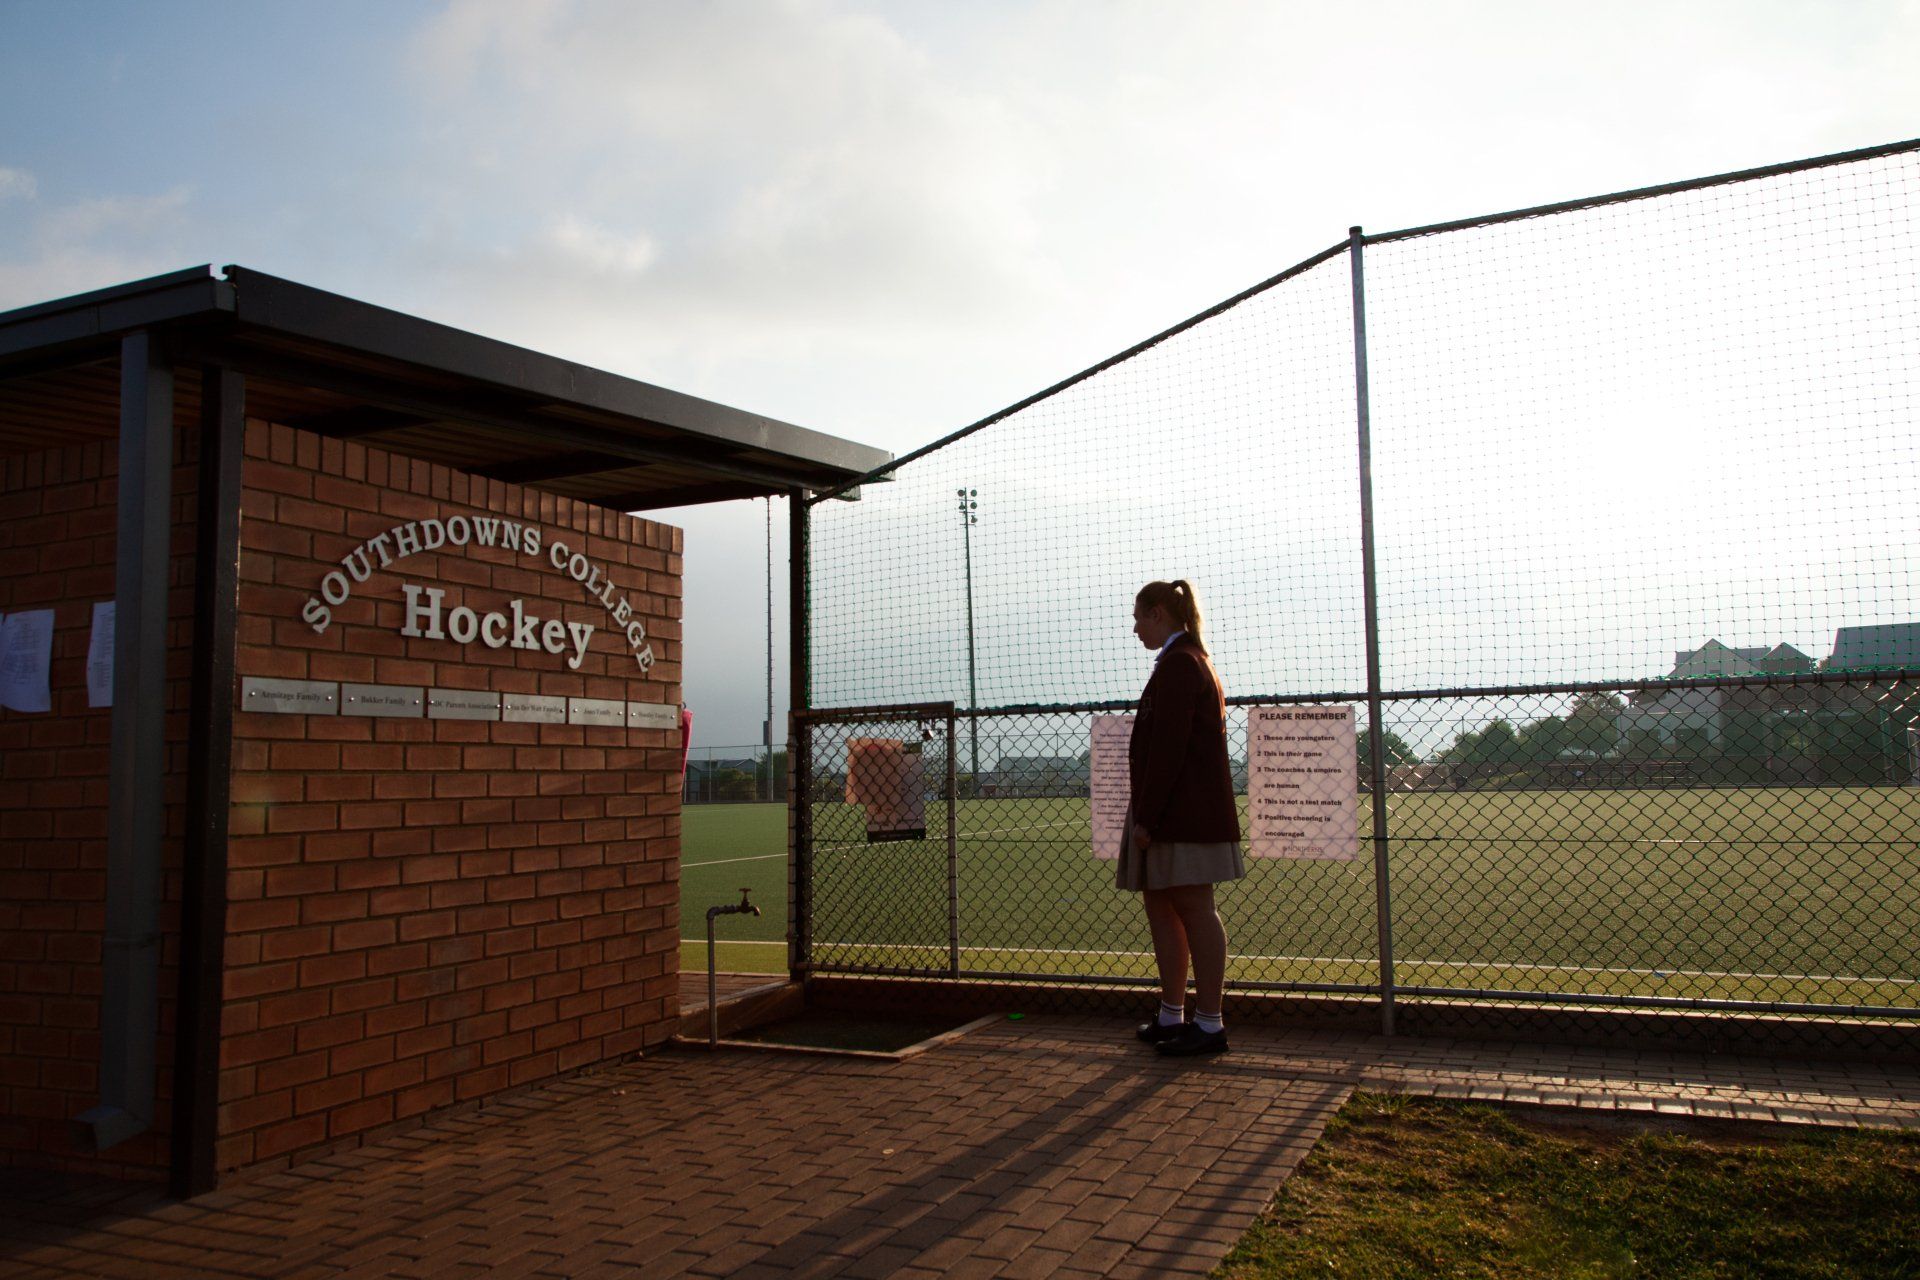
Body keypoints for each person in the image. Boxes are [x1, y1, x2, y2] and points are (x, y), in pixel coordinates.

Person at [1118, 579, 1244, 1056]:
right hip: (1175, 811)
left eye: (1138, 618)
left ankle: (1209, 1023)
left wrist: (1146, 817)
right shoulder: (1183, 662)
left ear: (1157, 614)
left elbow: (1169, 752)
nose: (1134, 629)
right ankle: (1173, 1013)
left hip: (1182, 815)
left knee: (1194, 908)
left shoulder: (1181, 665)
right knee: (1162, 907)